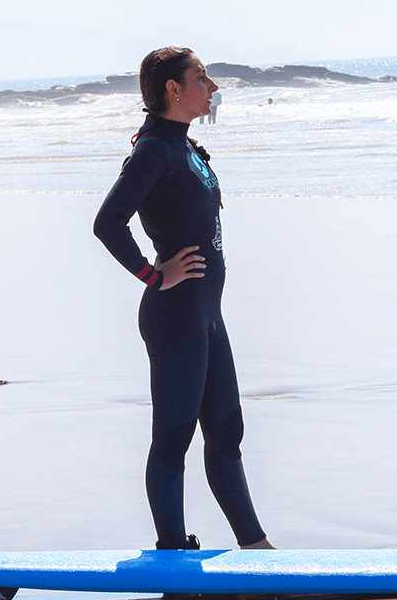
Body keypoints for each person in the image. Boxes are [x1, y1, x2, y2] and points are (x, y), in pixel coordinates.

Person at [94, 47, 272, 552]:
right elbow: (107, 223)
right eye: (201, 76)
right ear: (173, 88)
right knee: (174, 437)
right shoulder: (154, 150)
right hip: (175, 314)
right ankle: (172, 551)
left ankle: (256, 550)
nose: (212, 86)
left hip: (206, 314)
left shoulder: (186, 149)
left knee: (227, 432)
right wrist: (153, 275)